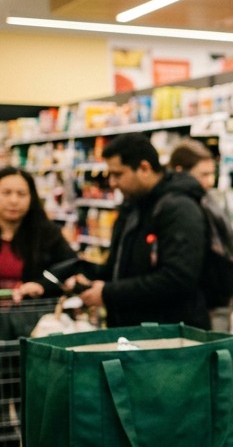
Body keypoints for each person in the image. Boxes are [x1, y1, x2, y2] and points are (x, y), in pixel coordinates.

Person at [69, 132, 210, 328]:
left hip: (170, 339)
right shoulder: (133, 206)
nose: (112, 182)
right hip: (134, 334)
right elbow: (120, 268)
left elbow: (177, 278)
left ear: (144, 168)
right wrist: (89, 278)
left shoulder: (179, 208)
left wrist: (109, 293)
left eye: (118, 174)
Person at [168, 140, 233, 331]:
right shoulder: (181, 207)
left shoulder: (209, 200)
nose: (210, 181)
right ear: (179, 170)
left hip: (218, 297)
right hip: (203, 301)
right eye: (204, 174)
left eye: (212, 174)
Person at [0, 167, 75, 301]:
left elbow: (71, 267)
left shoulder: (47, 233)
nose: (14, 200)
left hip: (34, 316)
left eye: (22, 194)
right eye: (6, 193)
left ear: (31, 198)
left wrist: (42, 285)